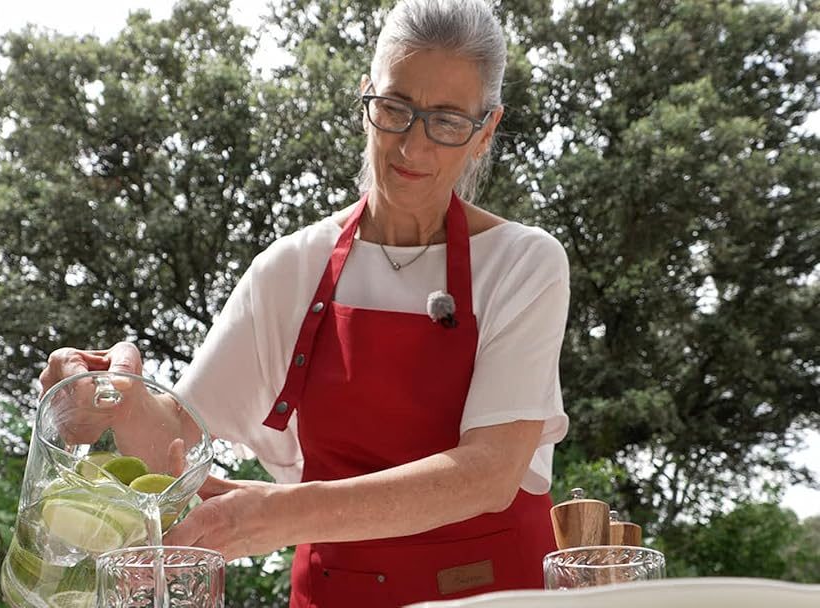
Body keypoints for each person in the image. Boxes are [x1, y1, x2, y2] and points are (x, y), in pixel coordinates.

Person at [40, 0, 570, 605]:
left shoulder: (524, 263)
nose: (412, 146)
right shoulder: (292, 269)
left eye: (447, 121)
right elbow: (174, 447)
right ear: (367, 99)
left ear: (486, 130)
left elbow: (488, 475)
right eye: (394, 109)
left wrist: (278, 516)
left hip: (493, 594)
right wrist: (116, 398)